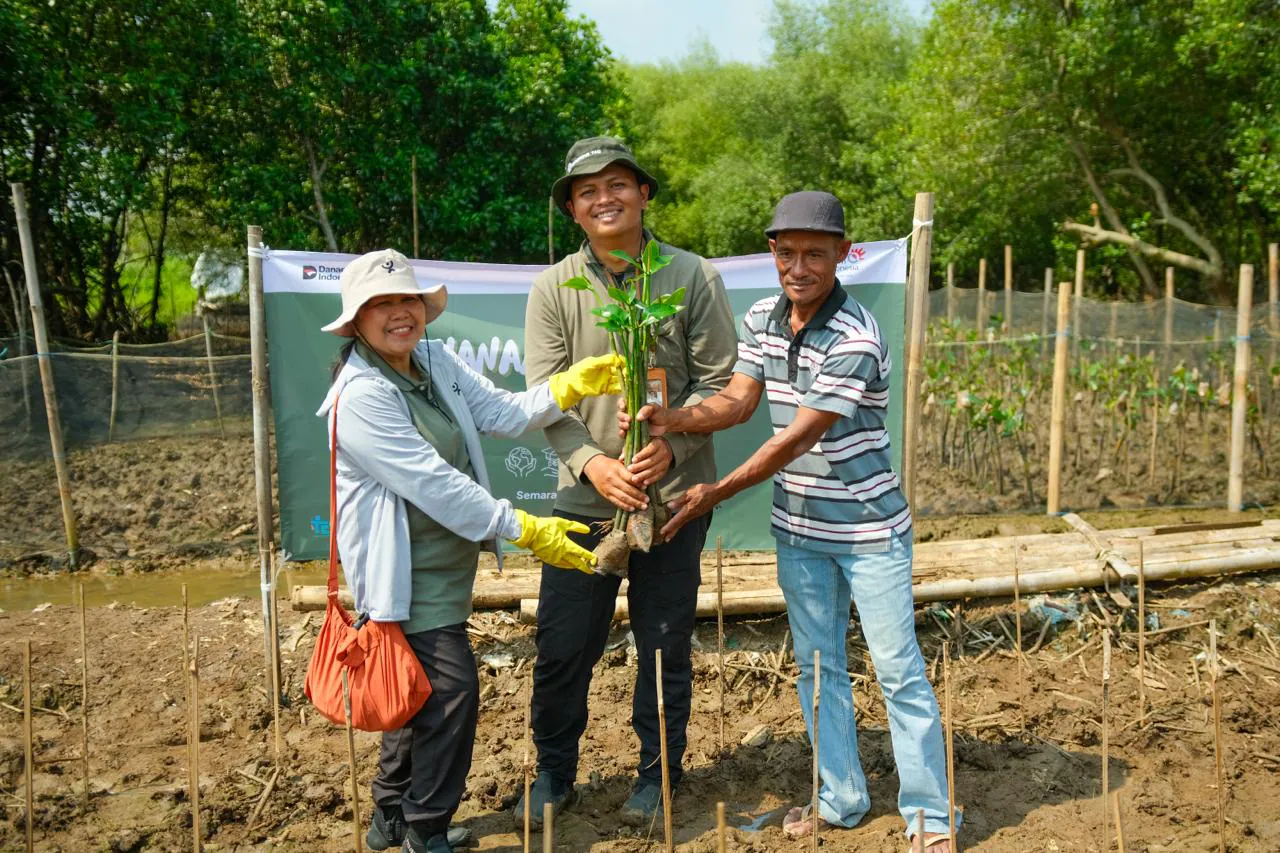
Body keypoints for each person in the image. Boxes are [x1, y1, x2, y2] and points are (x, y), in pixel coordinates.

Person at [620, 192, 958, 850]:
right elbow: (740, 401)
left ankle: (930, 817)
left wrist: (714, 490)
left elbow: (793, 440)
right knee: (818, 665)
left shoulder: (856, 336)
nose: (797, 265)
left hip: (869, 531)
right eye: (786, 251)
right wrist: (676, 419)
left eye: (814, 252)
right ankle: (841, 796)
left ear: (842, 253)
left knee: (897, 669)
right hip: (801, 529)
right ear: (772, 252)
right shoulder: (763, 317)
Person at [316, 248, 624, 853]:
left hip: (444, 567)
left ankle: (390, 818)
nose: (399, 313)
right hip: (405, 574)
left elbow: (503, 412)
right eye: (381, 305)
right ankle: (426, 829)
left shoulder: (432, 359)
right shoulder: (361, 396)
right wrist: (527, 529)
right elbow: (434, 484)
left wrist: (567, 386)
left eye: (407, 300)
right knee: (452, 692)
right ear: (356, 321)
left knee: (414, 688)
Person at [518, 136, 737, 827]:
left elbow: (722, 382)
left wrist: (673, 441)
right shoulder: (557, 287)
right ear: (573, 212)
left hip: (671, 502)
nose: (604, 199)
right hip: (586, 502)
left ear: (644, 194)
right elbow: (543, 395)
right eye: (587, 192)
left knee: (665, 643)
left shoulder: (690, 276)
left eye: (618, 184)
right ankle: (554, 772)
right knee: (561, 645)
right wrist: (595, 463)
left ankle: (657, 776)